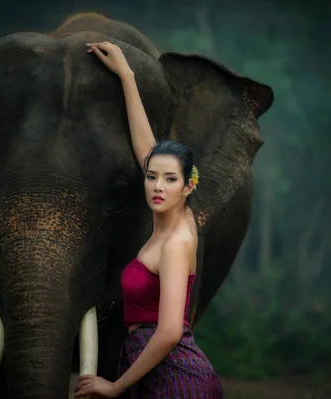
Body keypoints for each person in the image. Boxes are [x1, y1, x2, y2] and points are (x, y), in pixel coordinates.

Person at [74, 41, 224, 398]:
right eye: (151, 176)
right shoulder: (178, 218)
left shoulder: (176, 243)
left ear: (188, 187)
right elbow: (148, 150)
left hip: (177, 377)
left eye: (170, 180)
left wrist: (115, 386)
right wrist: (126, 75)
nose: (157, 187)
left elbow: (171, 331)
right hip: (152, 368)